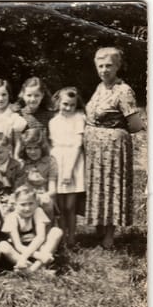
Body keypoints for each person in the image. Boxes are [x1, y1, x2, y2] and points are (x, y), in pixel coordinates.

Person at [84, 47, 146, 249]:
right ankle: (99, 228)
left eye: (109, 65)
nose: (104, 70)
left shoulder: (123, 90)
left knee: (111, 188)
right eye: (100, 66)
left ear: (118, 66)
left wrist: (113, 133)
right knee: (99, 187)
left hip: (113, 148)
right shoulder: (100, 87)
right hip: (95, 148)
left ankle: (110, 235)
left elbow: (136, 124)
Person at [49, 87, 86, 247]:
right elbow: (52, 144)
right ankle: (62, 236)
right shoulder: (53, 121)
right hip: (57, 159)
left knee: (70, 205)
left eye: (72, 105)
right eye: (65, 104)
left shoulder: (79, 118)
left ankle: (72, 237)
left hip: (73, 161)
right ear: (58, 102)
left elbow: (78, 145)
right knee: (61, 205)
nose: (68, 108)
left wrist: (69, 170)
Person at [0, 186, 63, 273]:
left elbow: (40, 237)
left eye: (31, 203)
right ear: (15, 204)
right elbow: (18, 245)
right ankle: (39, 270)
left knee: (56, 231)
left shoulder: (37, 211)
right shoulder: (12, 218)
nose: (27, 208)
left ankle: (31, 270)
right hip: (20, 252)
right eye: (23, 204)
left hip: (38, 247)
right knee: (3, 246)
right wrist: (39, 256)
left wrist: (38, 254)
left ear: (36, 203)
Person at [17, 128, 57, 219]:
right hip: (25, 196)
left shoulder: (50, 161)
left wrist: (41, 196)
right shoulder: (22, 163)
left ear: (42, 148)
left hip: (44, 195)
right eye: (29, 148)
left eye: (36, 148)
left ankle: (47, 230)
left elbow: (53, 189)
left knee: (47, 203)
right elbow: (19, 186)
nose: (32, 152)